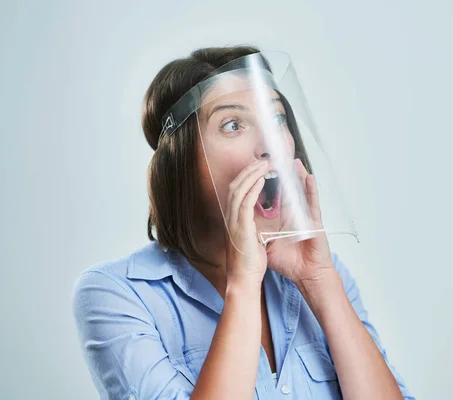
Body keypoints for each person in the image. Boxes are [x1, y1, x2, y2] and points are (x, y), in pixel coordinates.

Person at [72, 45, 414, 400]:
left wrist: (320, 282)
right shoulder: (117, 294)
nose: (271, 145)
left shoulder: (326, 274)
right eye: (233, 125)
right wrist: (245, 283)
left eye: (277, 119)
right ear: (182, 162)